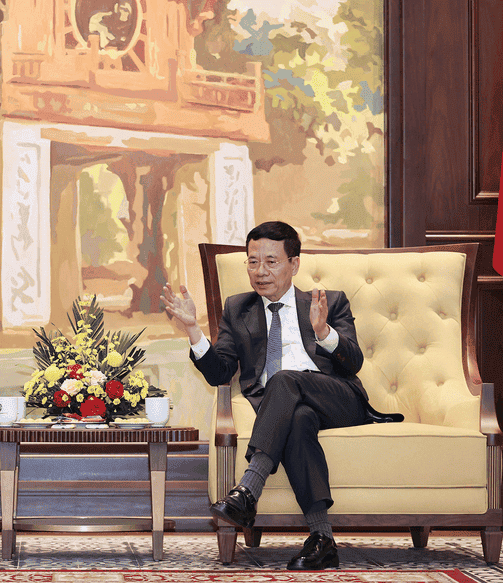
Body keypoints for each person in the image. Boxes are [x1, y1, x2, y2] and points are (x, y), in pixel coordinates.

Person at [161, 221, 401, 570]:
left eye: (271, 261)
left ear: (294, 264)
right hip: (286, 408)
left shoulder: (328, 301)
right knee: (299, 419)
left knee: (285, 379)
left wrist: (324, 332)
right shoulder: (238, 309)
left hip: (339, 399)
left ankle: (248, 489)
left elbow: (354, 363)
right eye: (252, 261)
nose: (260, 271)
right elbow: (220, 373)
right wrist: (194, 330)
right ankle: (323, 539)